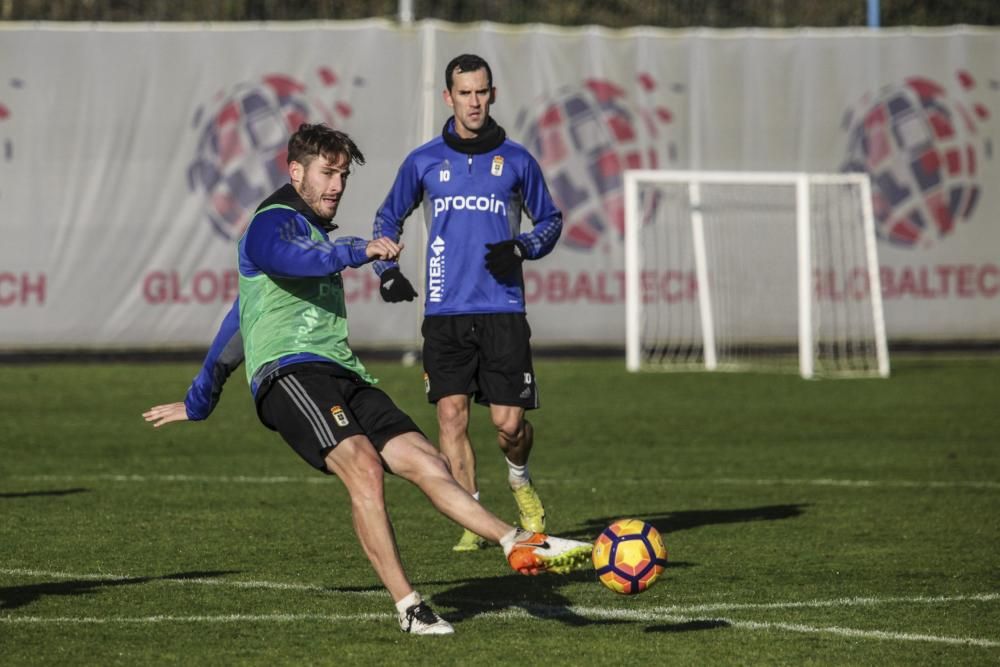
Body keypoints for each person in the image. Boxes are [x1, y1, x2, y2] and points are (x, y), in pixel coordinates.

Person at [143, 123, 591, 636]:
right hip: (289, 375)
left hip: (340, 371)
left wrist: (199, 399)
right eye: (326, 173)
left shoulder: (311, 229)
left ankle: (517, 541)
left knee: (425, 460)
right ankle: (410, 607)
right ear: (296, 172)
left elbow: (238, 322)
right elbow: (292, 261)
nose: (336, 185)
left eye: (342, 175)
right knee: (363, 466)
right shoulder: (272, 222)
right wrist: (356, 250)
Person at [373, 54, 562, 552]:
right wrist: (386, 271)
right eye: (465, 93)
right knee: (451, 416)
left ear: (492, 94)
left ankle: (519, 481)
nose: (474, 102)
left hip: (502, 310)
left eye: (482, 92)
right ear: (448, 98)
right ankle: (473, 515)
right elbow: (386, 220)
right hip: (444, 313)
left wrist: (522, 247)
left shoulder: (518, 161)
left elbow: (550, 222)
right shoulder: (424, 161)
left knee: (508, 425)